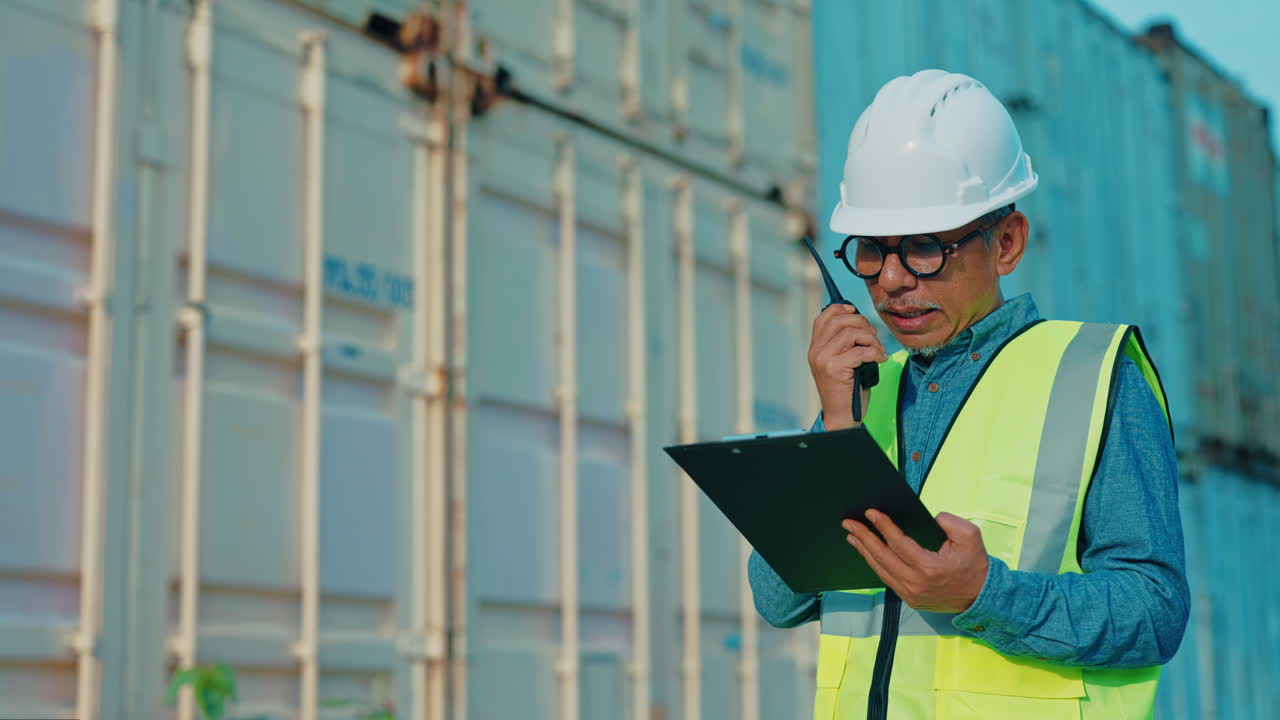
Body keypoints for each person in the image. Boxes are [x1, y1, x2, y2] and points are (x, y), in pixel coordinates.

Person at [748, 69, 1189, 719]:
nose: (892, 280)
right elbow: (776, 599)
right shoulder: (870, 392)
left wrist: (984, 593)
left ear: (1006, 243)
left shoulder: (1094, 377)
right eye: (872, 250)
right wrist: (838, 428)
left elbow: (1155, 610)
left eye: (925, 247)